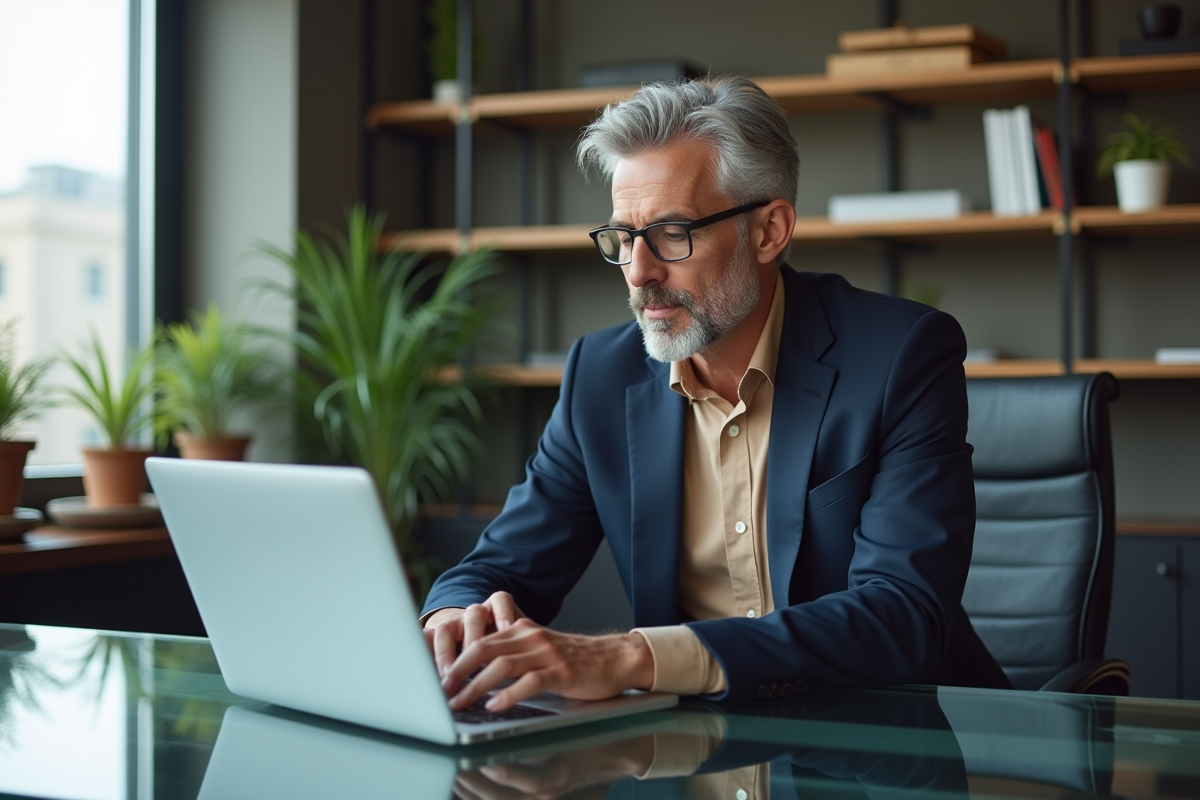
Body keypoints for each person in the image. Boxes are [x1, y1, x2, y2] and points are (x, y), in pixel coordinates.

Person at [422, 75, 1010, 713]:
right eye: (623, 238)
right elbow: (500, 568)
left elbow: (902, 615)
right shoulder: (600, 374)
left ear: (768, 231)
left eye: (673, 234)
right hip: (696, 752)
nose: (640, 273)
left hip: (894, 743)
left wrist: (633, 656)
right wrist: (455, 618)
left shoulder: (901, 355)